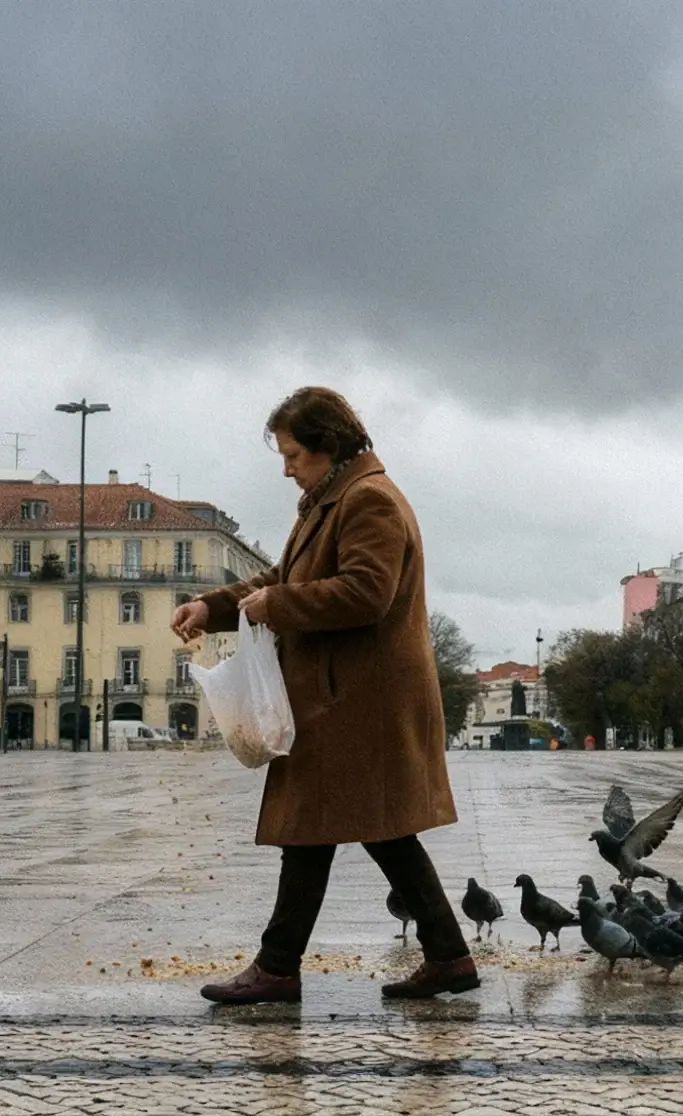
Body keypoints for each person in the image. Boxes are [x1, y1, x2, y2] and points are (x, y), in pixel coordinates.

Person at [173, 387, 473, 1005]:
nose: (285, 468)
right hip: (343, 697)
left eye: (292, 455)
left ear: (326, 446)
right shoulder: (331, 500)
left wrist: (276, 606)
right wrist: (213, 606)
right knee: (374, 830)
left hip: (359, 700)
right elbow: (283, 580)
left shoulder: (369, 501)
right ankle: (447, 957)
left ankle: (279, 967)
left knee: (314, 831)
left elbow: (367, 591)